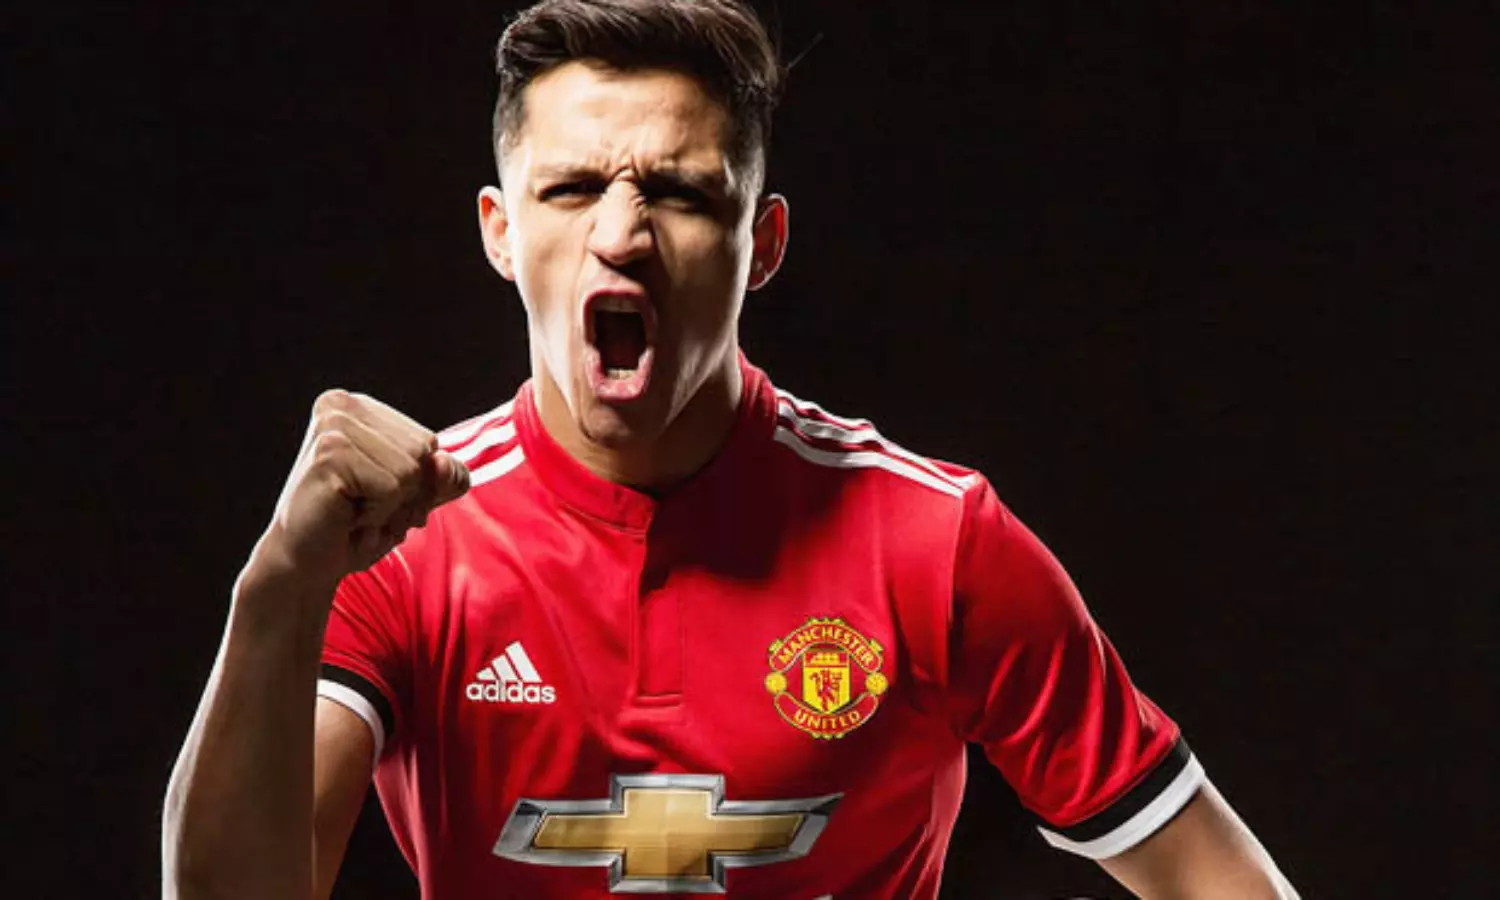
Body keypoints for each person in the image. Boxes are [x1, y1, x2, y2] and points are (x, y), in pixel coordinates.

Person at [162, 1, 1298, 897]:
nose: (621, 235)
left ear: (763, 243)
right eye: (571, 188)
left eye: (679, 193)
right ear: (501, 234)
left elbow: (1219, 880)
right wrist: (276, 589)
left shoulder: (935, 542)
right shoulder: (404, 547)